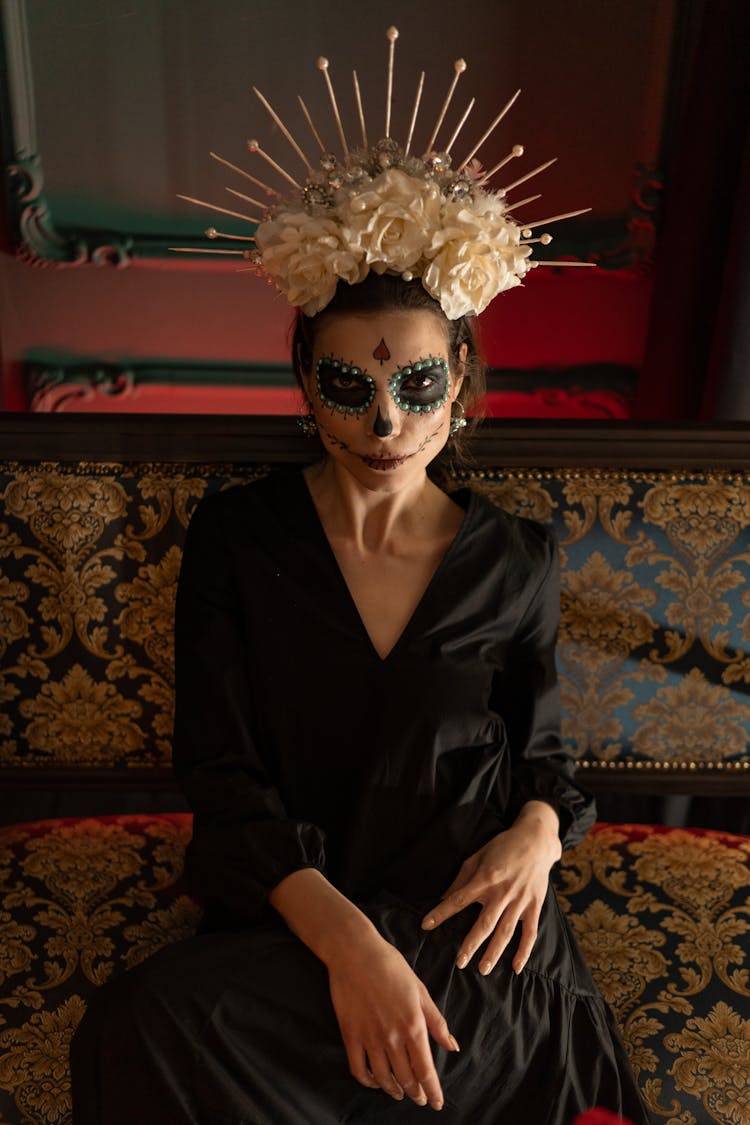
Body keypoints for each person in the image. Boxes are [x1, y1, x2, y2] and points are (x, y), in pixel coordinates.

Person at [70, 30, 649, 1124]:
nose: (385, 420)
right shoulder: (241, 540)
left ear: (458, 377)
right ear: (303, 377)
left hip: (475, 947)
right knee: (139, 1027)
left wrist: (536, 835)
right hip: (299, 932)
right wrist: (350, 949)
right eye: (349, 382)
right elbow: (225, 778)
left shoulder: (517, 557)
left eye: (417, 382)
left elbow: (549, 763)